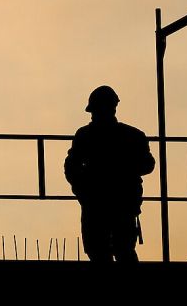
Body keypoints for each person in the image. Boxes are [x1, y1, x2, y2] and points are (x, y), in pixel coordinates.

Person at [64, 85, 155, 263]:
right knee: (118, 251)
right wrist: (81, 190)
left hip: (105, 204)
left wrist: (82, 190)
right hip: (112, 204)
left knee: (107, 251)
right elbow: (147, 164)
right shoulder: (132, 136)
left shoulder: (87, 135)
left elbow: (71, 166)